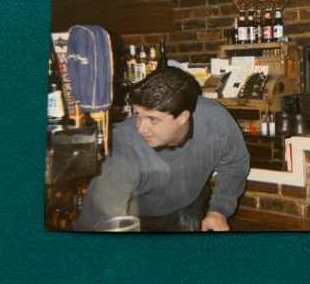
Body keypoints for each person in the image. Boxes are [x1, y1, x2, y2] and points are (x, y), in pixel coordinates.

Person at [74, 66, 250, 232]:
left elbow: (234, 165)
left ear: (182, 117)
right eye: (138, 114)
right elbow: (97, 219)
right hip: (143, 219)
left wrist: (218, 210)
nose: (141, 128)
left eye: (153, 119)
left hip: (194, 205)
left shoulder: (216, 120)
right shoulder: (125, 144)